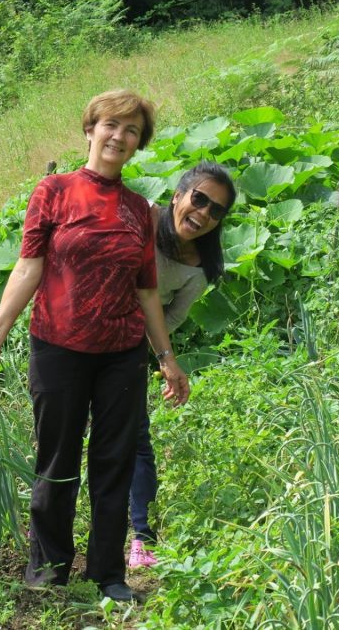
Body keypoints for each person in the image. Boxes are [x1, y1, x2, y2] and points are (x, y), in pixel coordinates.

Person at [0, 89, 189, 603]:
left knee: (113, 462)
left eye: (132, 130)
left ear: (138, 144)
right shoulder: (54, 190)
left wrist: (166, 359)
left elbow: (147, 291)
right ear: (90, 129)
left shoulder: (140, 209)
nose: (120, 136)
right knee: (57, 460)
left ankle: (109, 573)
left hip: (121, 355)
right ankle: (48, 569)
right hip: (58, 348)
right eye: (111, 124)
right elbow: (29, 266)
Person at [128, 161, 236, 568]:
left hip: (132, 348)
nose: (204, 213)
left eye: (216, 211)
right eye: (200, 199)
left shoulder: (199, 267)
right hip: (83, 334)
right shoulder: (139, 217)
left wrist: (149, 345)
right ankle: (48, 526)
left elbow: (171, 316)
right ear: (178, 195)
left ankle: (141, 541)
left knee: (135, 440)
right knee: (64, 431)